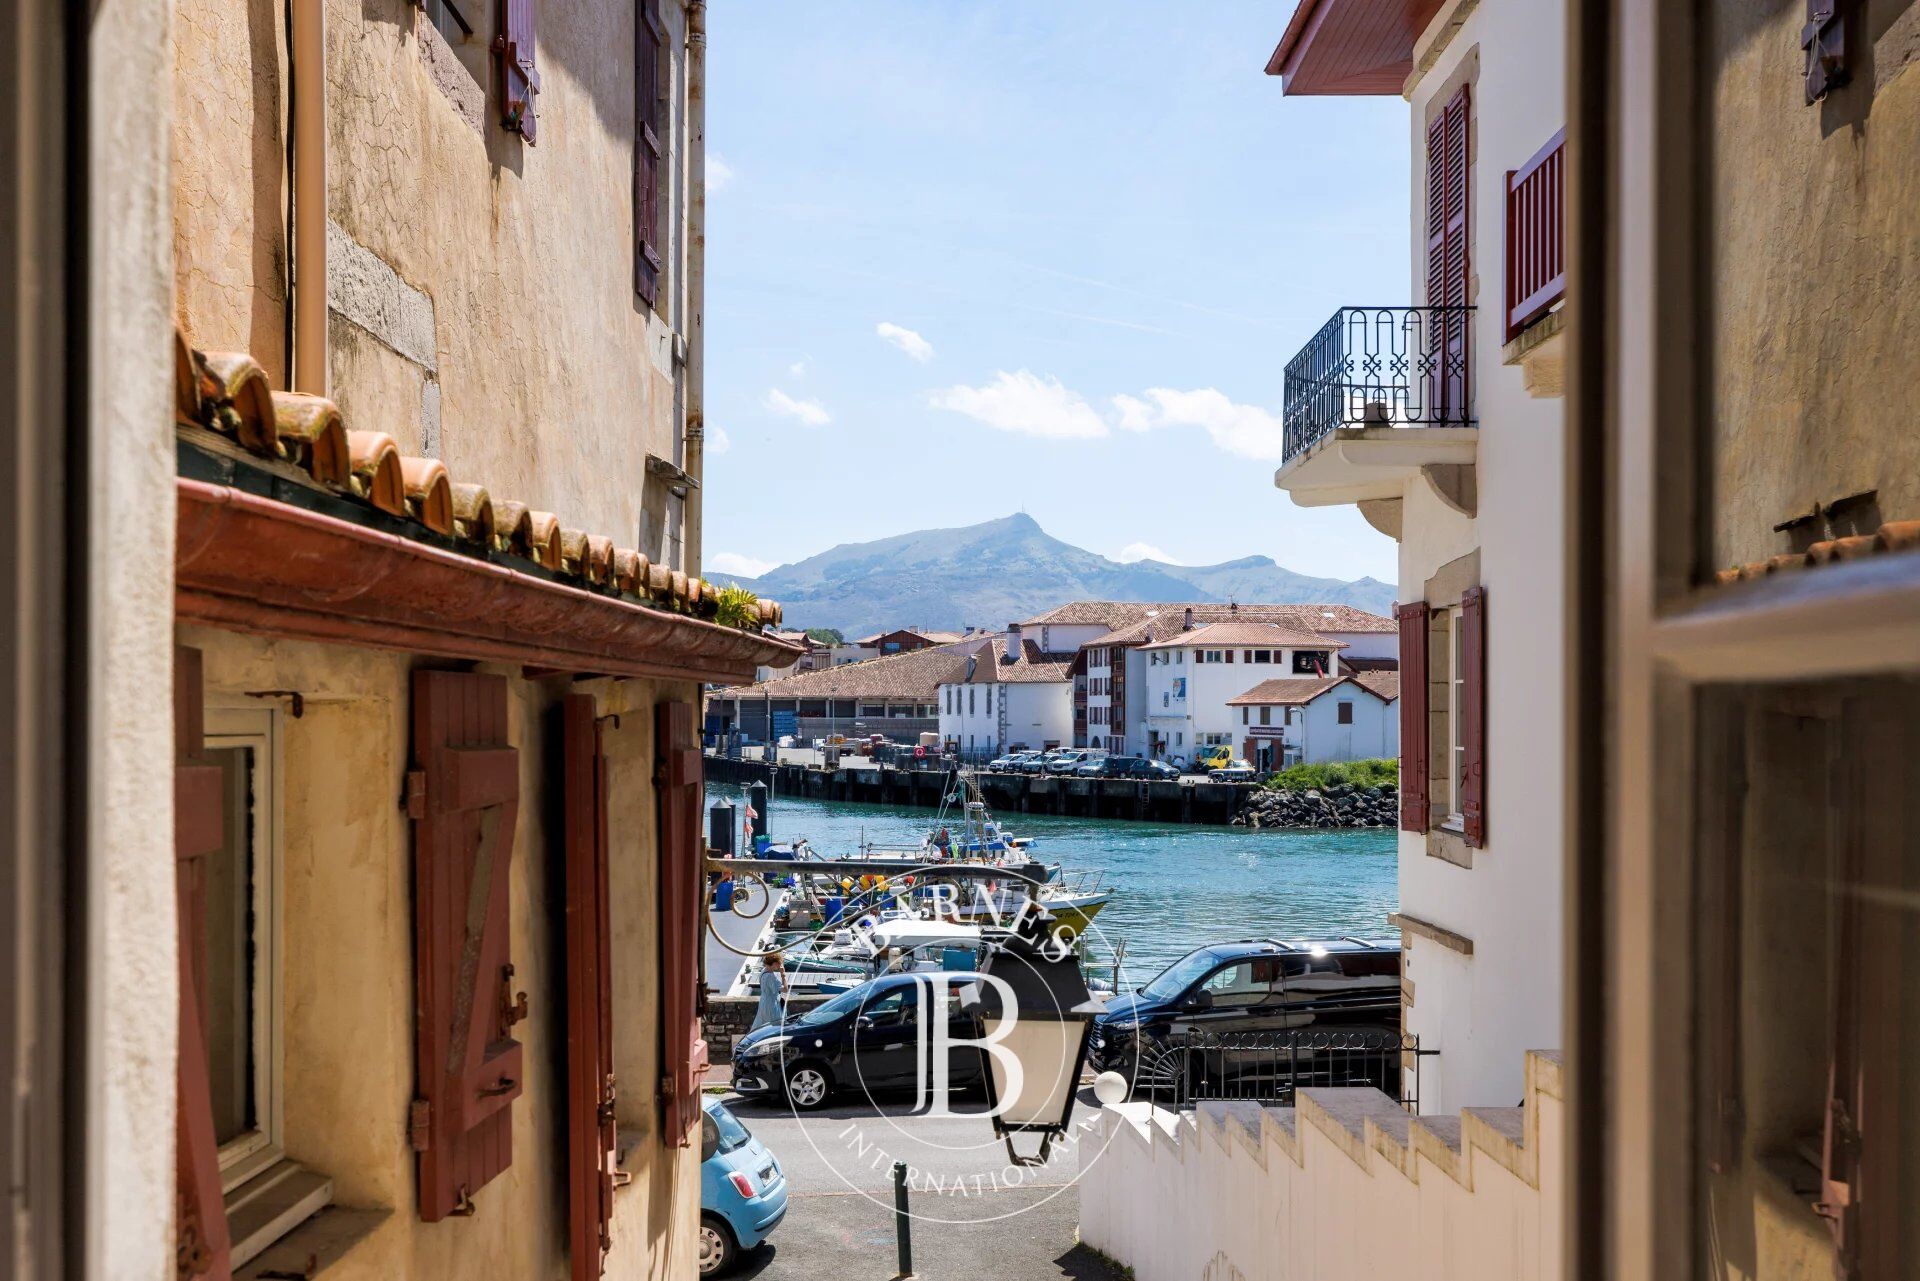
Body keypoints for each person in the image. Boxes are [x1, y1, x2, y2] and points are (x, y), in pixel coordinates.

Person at [750, 951, 786, 1032]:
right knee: (773, 1029)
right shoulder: (770, 976)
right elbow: (785, 989)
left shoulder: (764, 971)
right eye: (778, 963)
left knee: (760, 1027)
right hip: (771, 1005)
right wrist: (783, 974)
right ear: (774, 963)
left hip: (764, 1002)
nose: (779, 965)